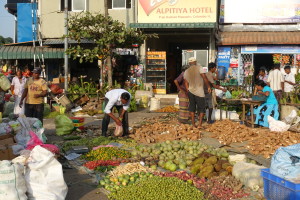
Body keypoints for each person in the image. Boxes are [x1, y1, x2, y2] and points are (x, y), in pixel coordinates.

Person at [184, 57, 211, 128]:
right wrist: (208, 86)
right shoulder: (199, 68)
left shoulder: (187, 71)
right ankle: (199, 125)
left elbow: (186, 83)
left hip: (191, 91)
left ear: (189, 63)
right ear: (195, 62)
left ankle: (193, 124)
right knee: (201, 108)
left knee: (192, 108)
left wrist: (188, 90)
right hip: (199, 92)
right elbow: (204, 77)